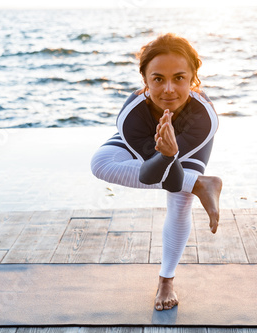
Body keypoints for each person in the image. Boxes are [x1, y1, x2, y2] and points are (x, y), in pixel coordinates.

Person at [90, 33, 222, 311]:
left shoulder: (204, 116)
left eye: (179, 78)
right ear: (145, 82)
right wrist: (167, 155)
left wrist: (172, 154)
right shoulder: (131, 115)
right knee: (100, 163)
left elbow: (172, 182)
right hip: (148, 141)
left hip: (188, 142)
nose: (169, 89)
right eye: (158, 79)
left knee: (180, 199)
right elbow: (150, 175)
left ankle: (166, 281)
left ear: (193, 79)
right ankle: (200, 183)